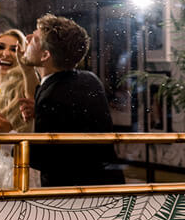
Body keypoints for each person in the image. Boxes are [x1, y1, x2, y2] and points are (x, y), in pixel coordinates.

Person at [18, 14, 124, 187]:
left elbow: (39, 160)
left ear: (45, 55)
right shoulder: (90, 80)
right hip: (108, 186)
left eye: (35, 39)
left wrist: (9, 135)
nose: (27, 38)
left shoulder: (51, 97)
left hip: (70, 196)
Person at [0, 29, 40, 189]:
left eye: (14, 49)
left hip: (21, 169)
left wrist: (27, 69)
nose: (6, 54)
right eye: (0, 47)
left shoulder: (25, 85)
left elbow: (32, 94)